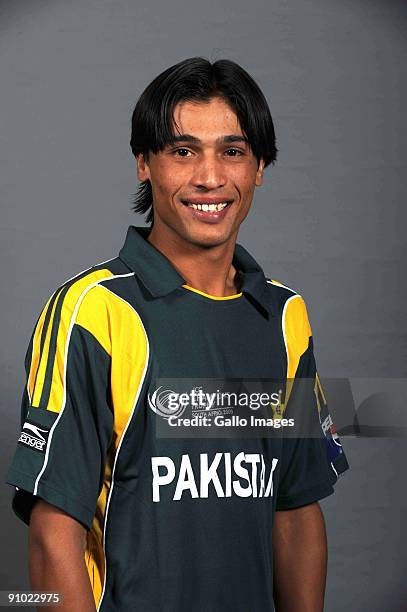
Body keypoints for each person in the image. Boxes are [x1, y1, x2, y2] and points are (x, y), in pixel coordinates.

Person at [5, 56, 349, 612]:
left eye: (233, 152)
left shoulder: (286, 316)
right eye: (182, 151)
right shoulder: (90, 310)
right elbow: (52, 534)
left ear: (260, 166)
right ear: (144, 163)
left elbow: (297, 507)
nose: (210, 177)